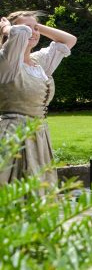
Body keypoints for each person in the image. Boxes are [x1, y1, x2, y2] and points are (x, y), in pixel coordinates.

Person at [0, 12, 77, 185]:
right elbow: (19, 33)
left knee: (38, 187)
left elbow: (69, 40)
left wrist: (37, 28)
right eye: (27, 28)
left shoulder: (38, 62)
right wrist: (6, 28)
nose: (32, 33)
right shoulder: (6, 62)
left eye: (35, 29)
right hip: (12, 135)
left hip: (39, 136)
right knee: (13, 185)